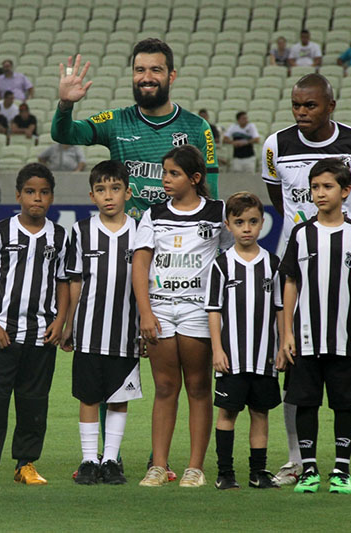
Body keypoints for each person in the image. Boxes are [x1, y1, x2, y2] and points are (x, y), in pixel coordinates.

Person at [261, 73, 351, 489]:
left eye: (310, 106)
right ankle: (295, 460)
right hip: (296, 273)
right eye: (296, 105)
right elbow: (280, 202)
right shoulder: (276, 147)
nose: (302, 113)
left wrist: (341, 233)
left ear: (330, 105)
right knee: (291, 360)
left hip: (347, 272)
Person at [133, 145, 233, 488]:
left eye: (173, 174)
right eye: (164, 173)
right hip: (159, 310)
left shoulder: (217, 212)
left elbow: (237, 253)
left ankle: (195, 468)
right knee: (164, 387)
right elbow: (141, 263)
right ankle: (158, 466)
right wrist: (145, 312)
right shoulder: (154, 214)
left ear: (195, 178)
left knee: (198, 386)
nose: (165, 180)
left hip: (198, 311)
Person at [280, 158, 351, 495]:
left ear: (346, 190)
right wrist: (287, 334)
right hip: (305, 337)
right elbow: (290, 283)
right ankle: (309, 470)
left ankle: (341, 470)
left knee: (344, 403)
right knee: (305, 402)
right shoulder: (301, 233)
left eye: (327, 186)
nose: (320, 193)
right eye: (315, 187)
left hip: (344, 338)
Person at [0, 163, 69, 486]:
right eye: (30, 192)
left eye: (43, 192)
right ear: (18, 195)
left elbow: (64, 281)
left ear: (51, 197)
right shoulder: (0, 231)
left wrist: (61, 322)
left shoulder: (59, 235)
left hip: (42, 334)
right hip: (3, 333)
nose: (36, 198)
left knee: (34, 401)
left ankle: (26, 463)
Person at [52, 39, 220, 219]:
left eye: (156, 70)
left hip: (177, 237)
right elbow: (63, 134)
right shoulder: (115, 121)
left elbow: (209, 195)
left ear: (171, 76)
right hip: (129, 238)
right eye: (140, 70)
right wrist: (66, 104)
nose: (147, 78)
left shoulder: (197, 127)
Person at [61, 160, 140, 486]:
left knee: (119, 397)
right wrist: (68, 324)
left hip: (126, 332)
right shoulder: (81, 231)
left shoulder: (140, 231)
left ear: (128, 192)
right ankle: (89, 459)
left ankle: (111, 459)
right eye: (101, 190)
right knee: (89, 397)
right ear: (92, 195)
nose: (109, 196)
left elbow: (147, 282)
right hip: (89, 330)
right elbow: (74, 282)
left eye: (115, 188)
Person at [204, 192, 282, 491]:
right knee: (227, 413)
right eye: (239, 222)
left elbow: (280, 309)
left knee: (260, 413)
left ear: (262, 223)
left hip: (264, 357)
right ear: (228, 225)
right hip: (231, 358)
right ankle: (225, 472)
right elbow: (213, 311)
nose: (246, 228)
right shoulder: (222, 265)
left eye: (252, 222)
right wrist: (217, 349)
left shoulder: (272, 264)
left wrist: (282, 346)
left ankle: (258, 472)